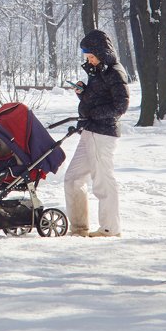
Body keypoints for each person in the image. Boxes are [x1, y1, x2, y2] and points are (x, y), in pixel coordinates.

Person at [64, 29, 130, 237]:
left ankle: (110, 229)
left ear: (101, 52)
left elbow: (121, 106)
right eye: (87, 57)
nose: (89, 61)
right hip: (89, 131)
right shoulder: (98, 72)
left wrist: (94, 114)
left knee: (103, 181)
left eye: (91, 56)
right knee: (72, 179)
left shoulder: (114, 72)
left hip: (103, 134)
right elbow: (96, 98)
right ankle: (79, 228)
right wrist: (83, 93)